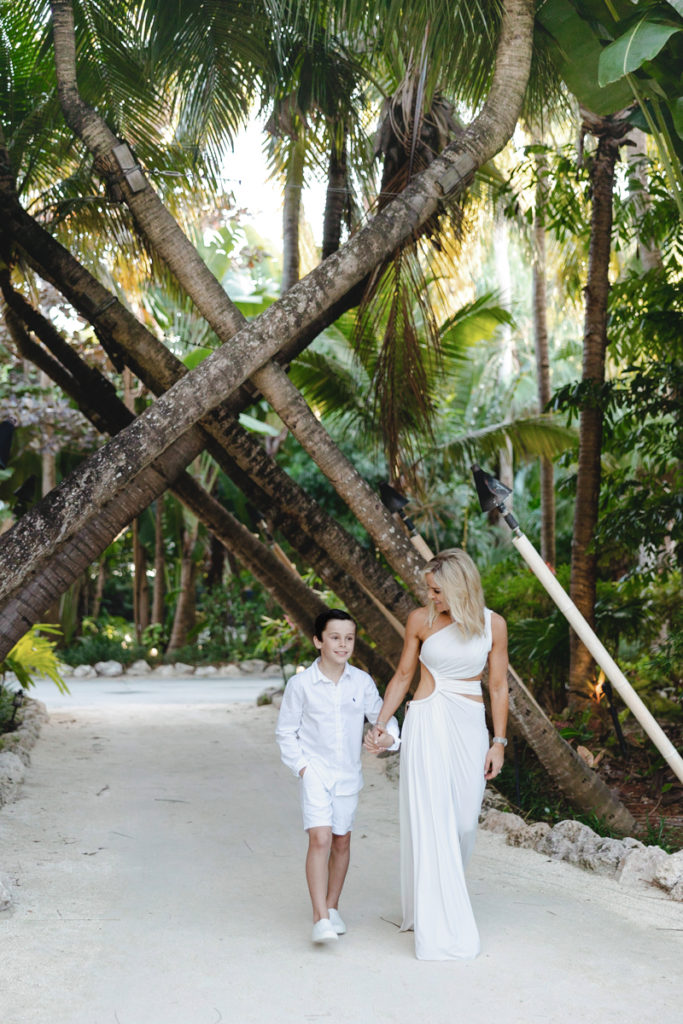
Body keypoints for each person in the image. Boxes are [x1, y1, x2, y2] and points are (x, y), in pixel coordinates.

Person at [367, 548, 508, 961]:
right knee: (435, 822)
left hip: (469, 726)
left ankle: (445, 894)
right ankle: (439, 917)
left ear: (459, 587)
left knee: (464, 824)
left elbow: (498, 687)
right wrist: (380, 723)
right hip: (427, 722)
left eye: (437, 591)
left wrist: (498, 742)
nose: (431, 598)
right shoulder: (420, 621)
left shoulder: (492, 625)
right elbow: (403, 675)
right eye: (428, 590)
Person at [275, 608, 400, 944]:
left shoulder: (361, 682)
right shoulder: (300, 685)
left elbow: (383, 720)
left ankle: (332, 908)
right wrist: (302, 768)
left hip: (348, 774)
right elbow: (286, 732)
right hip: (314, 771)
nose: (343, 644)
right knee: (320, 838)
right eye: (334, 637)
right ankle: (319, 919)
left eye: (349, 638)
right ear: (318, 641)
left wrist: (387, 738)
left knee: (342, 840)